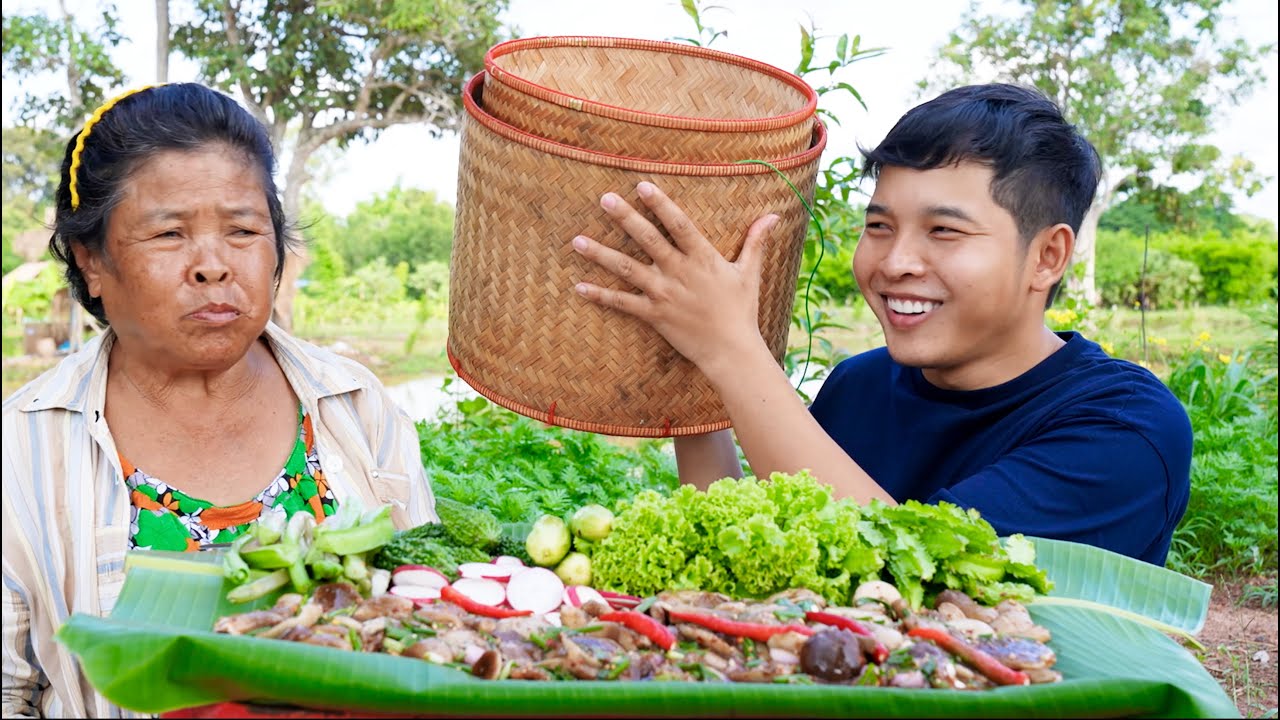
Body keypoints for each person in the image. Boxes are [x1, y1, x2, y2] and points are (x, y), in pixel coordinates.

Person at [570, 83, 1191, 566]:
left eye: (943, 230)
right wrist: (697, 363)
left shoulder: (1124, 428)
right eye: (879, 226)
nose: (895, 262)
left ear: (1048, 256)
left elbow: (909, 572)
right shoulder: (859, 384)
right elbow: (763, 551)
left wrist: (733, 349)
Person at [1, 83, 437, 718]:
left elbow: (427, 613)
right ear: (91, 260)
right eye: (169, 233)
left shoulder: (354, 404)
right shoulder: (23, 448)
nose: (213, 265)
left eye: (243, 229)